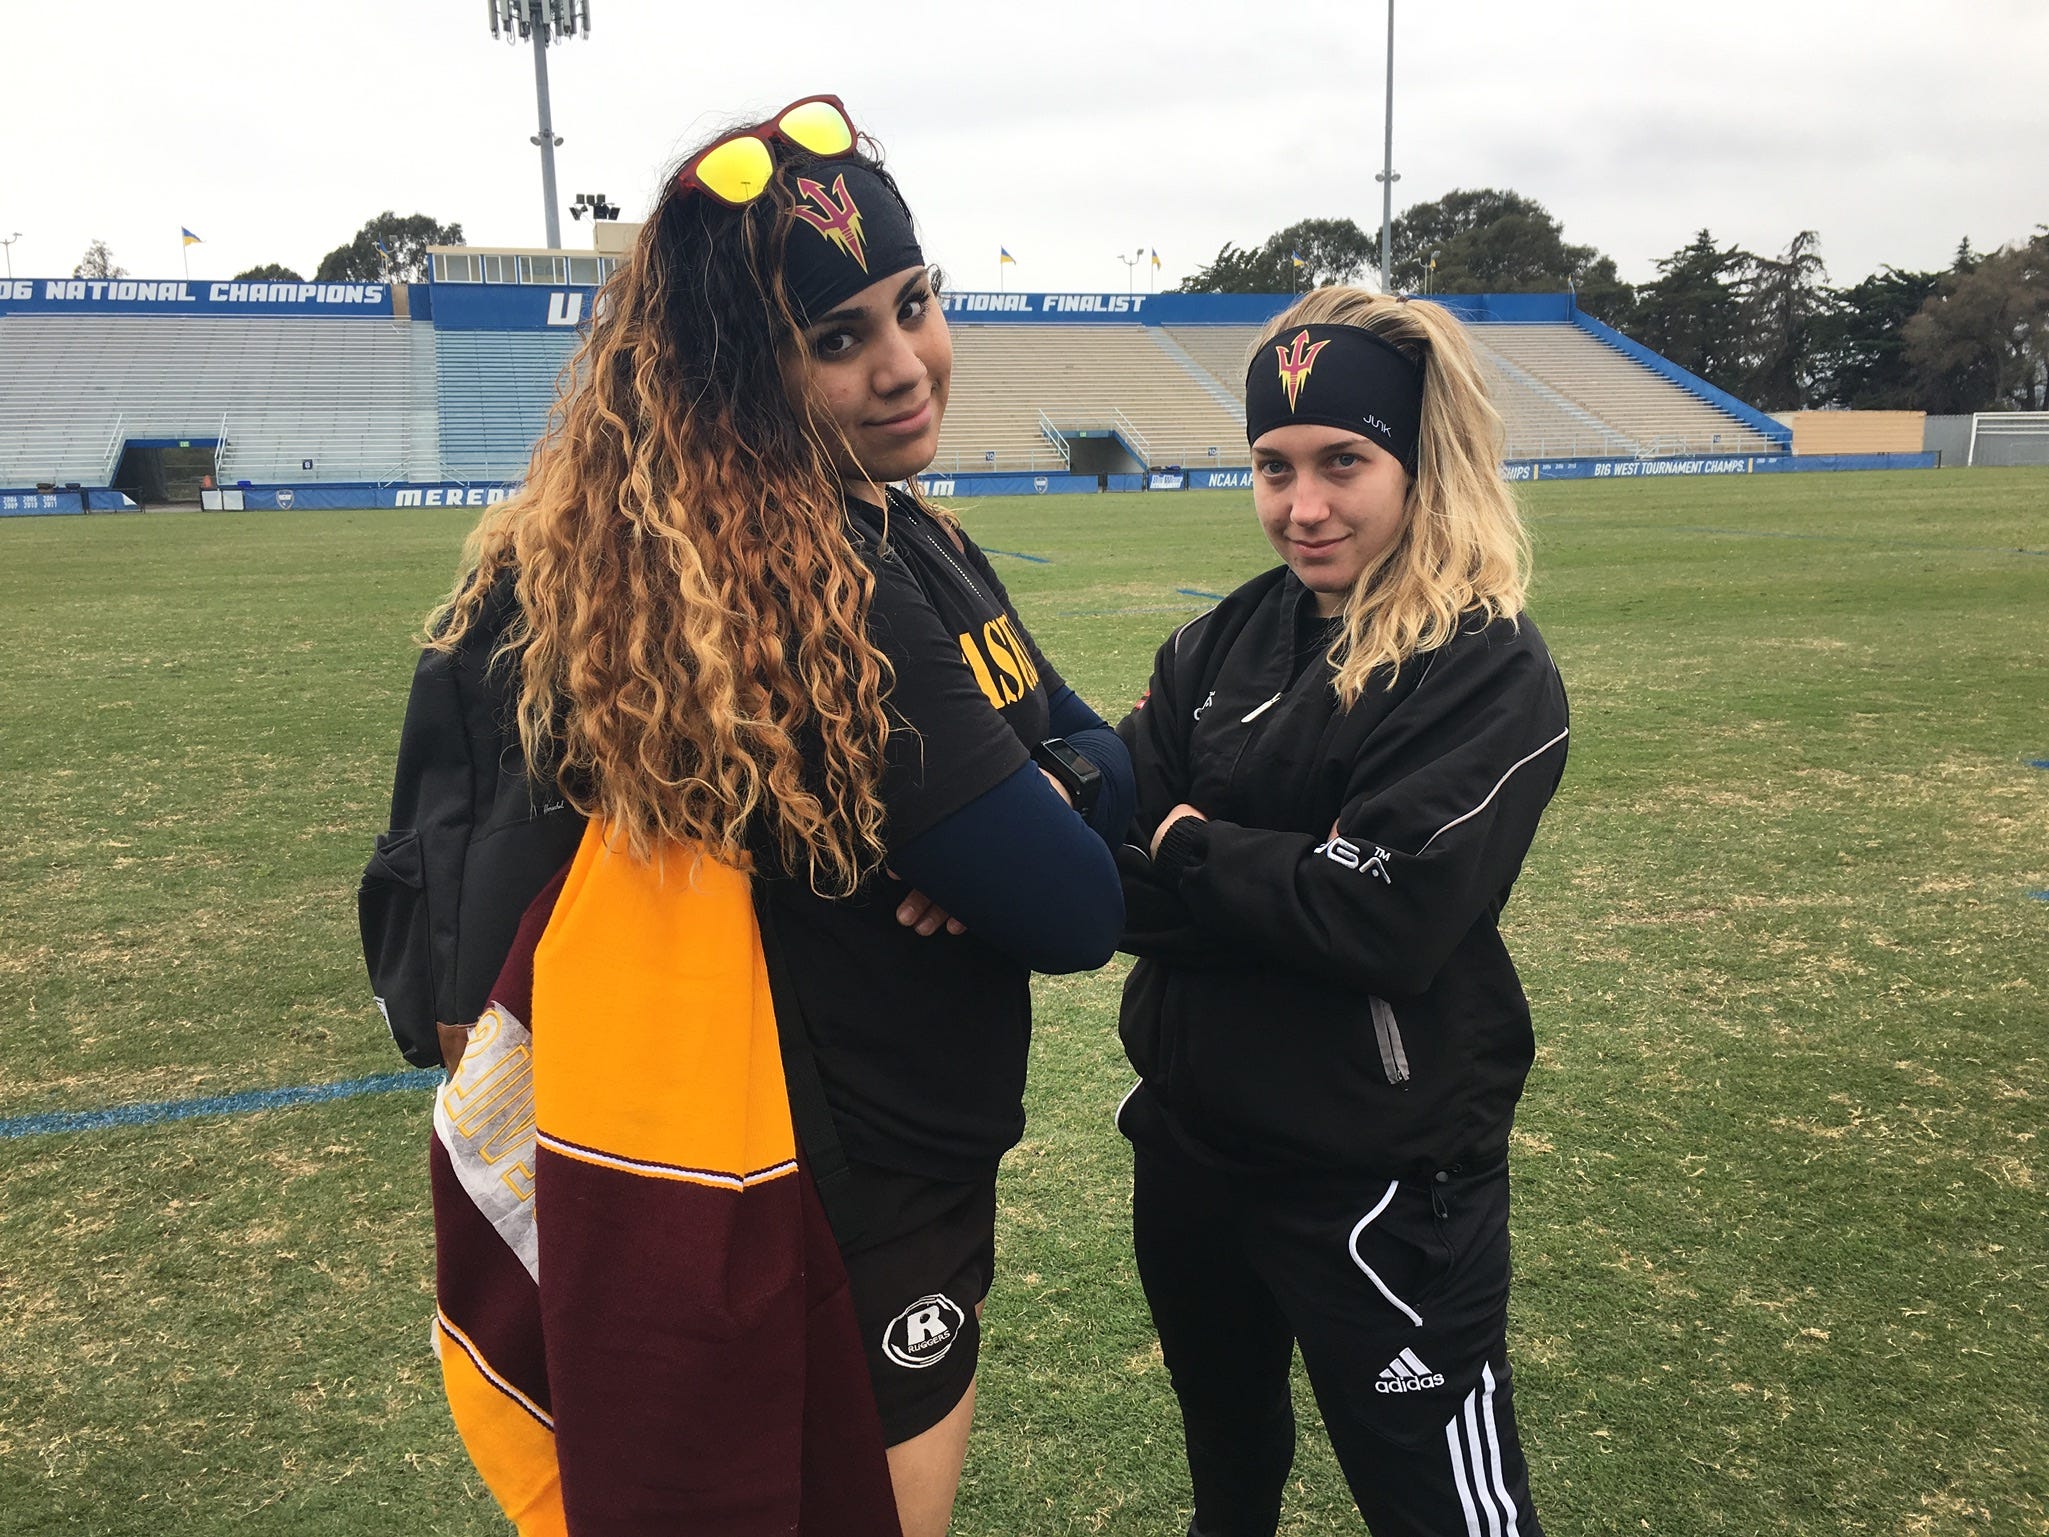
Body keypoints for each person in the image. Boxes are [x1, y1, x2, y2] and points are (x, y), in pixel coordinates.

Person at [389, 96, 1131, 1536]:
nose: (905, 364)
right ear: (749, 374)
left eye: (913, 304)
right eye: (837, 337)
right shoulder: (822, 587)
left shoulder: (901, 528)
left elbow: (1101, 743)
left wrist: (1065, 780)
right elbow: (1078, 910)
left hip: (881, 1143)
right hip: (848, 1181)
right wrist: (1054, 796)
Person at [1113, 286, 1570, 1537]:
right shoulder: (1219, 644)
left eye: (1342, 463)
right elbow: (1115, 845)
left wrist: (1192, 849)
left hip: (1380, 1185)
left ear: (1423, 462)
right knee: (1229, 1474)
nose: (1302, 506)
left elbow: (1388, 917)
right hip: (1196, 1149)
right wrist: (1257, 868)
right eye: (1272, 466)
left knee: (1442, 1508)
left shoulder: (1485, 664)